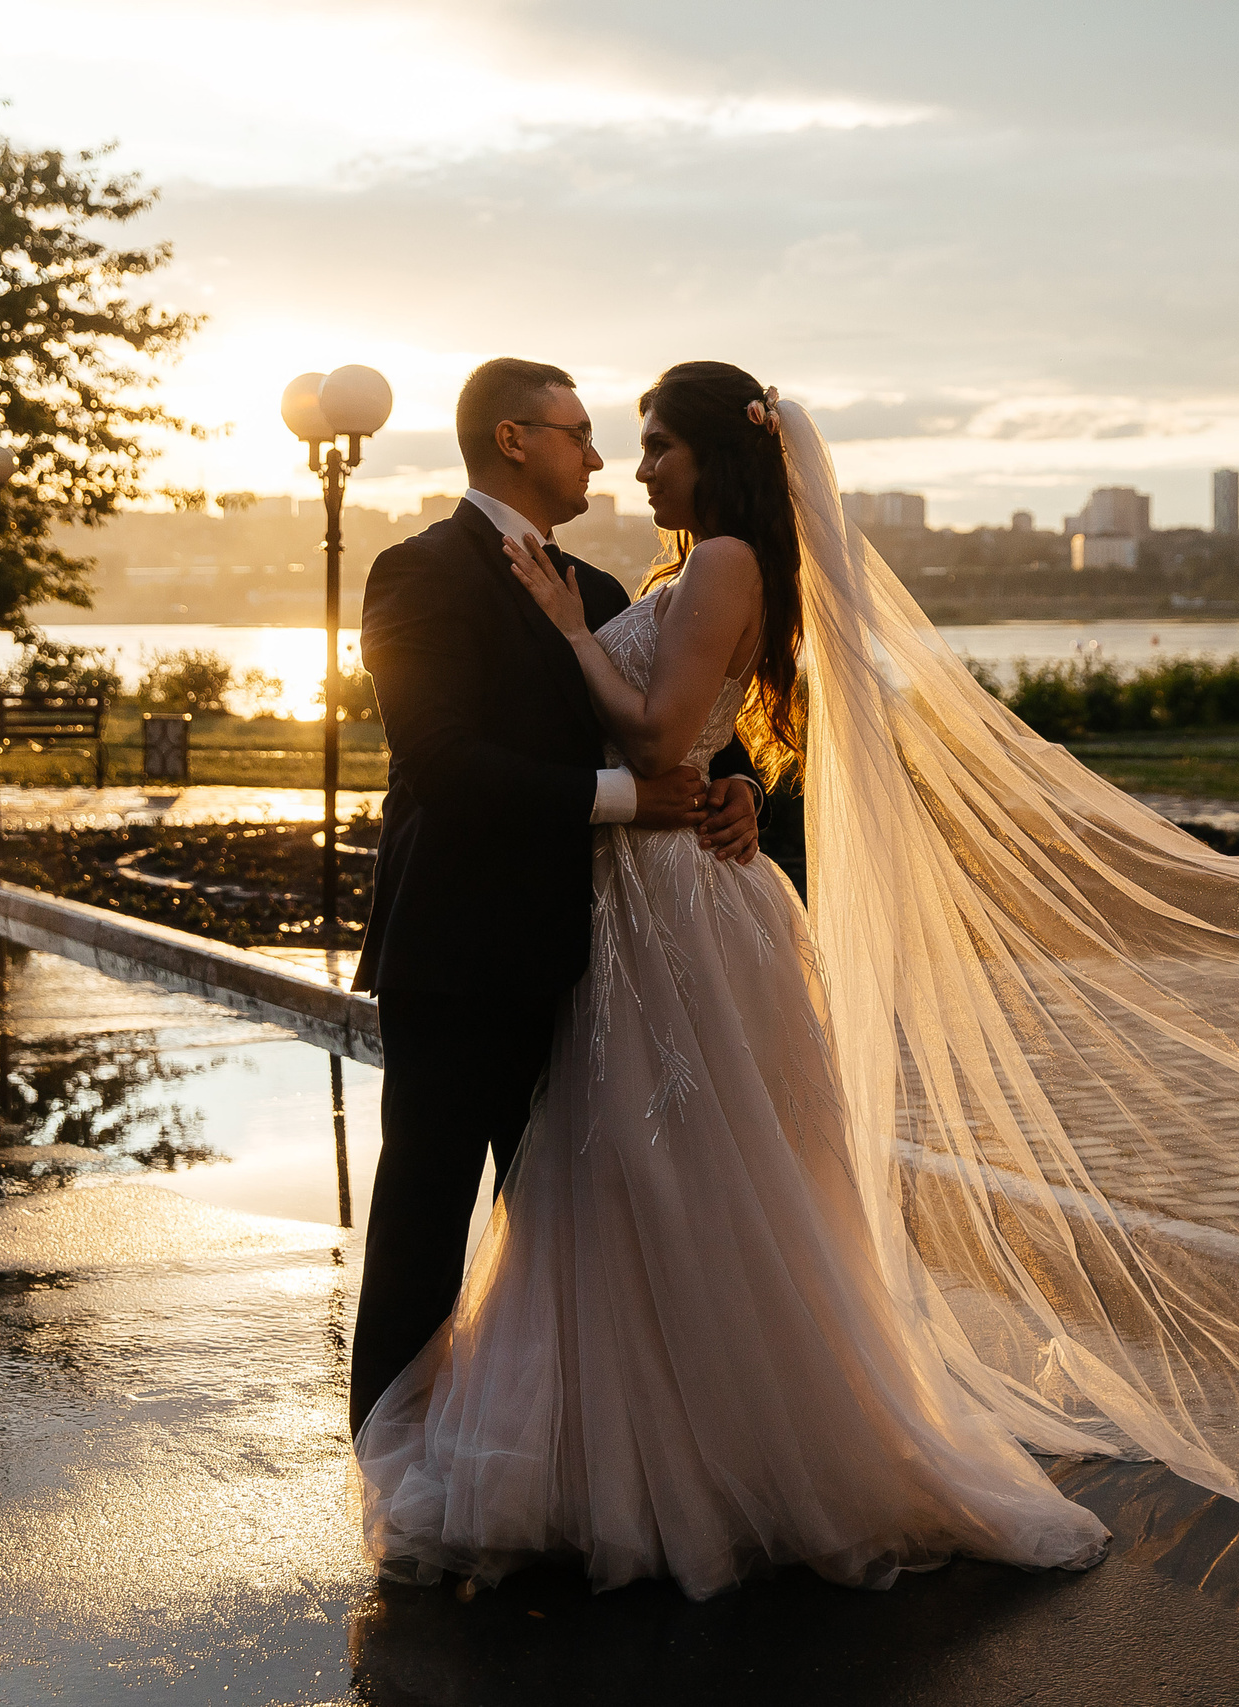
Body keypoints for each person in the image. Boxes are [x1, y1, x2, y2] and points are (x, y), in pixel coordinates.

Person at [353, 362, 1239, 1600]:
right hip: (556, 927)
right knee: (590, 1191)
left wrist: (670, 742)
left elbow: (662, 717)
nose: (621, 459)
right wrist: (683, 764)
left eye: (648, 442)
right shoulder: (505, 572)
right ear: (517, 439)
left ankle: (712, 1456)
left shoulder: (621, 577)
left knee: (688, 1185)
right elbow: (513, 748)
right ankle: (555, 1447)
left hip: (666, 916)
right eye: (600, 435)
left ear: (713, 456)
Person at [346, 358, 764, 1438]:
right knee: (425, 1221)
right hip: (459, 952)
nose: (599, 456)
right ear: (513, 438)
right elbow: (438, 763)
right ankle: (388, 1458)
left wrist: (737, 791)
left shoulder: (603, 593)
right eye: (577, 432)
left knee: (571, 1234)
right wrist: (632, 798)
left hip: (595, 963)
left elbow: (662, 724)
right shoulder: (414, 572)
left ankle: (549, 1451)